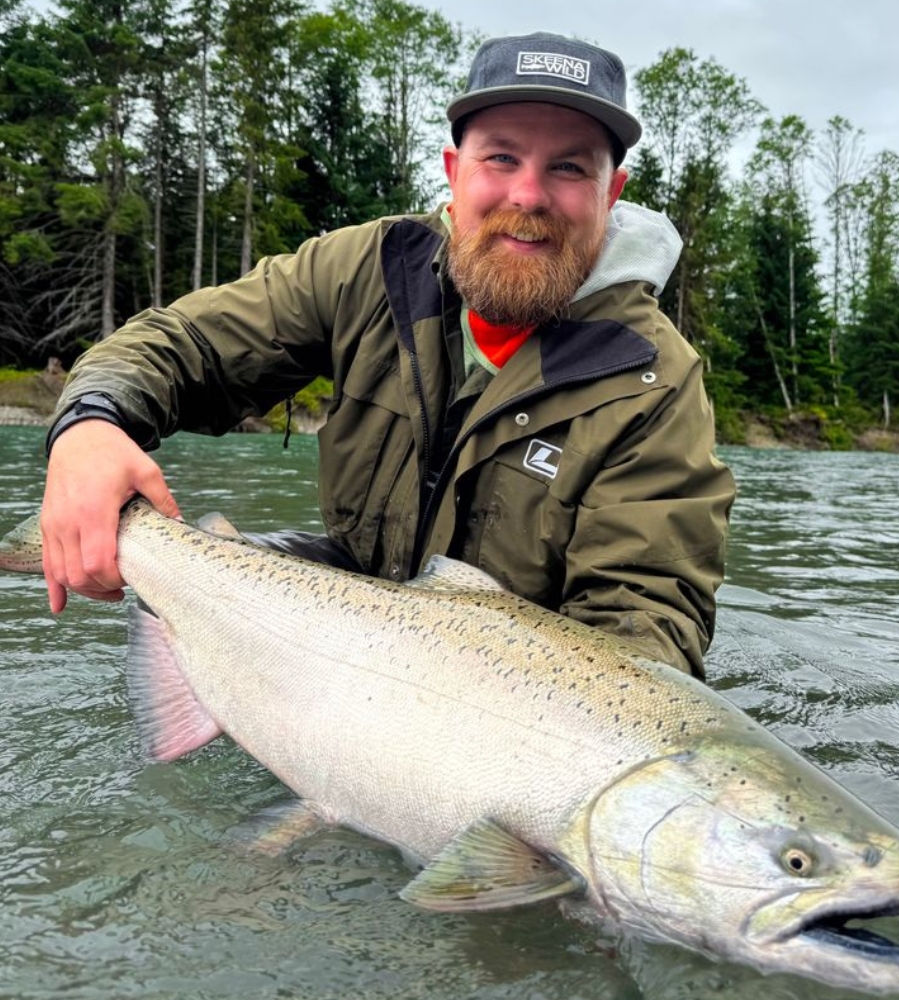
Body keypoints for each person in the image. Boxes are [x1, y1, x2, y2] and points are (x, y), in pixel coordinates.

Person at [39, 31, 736, 679]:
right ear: (455, 172)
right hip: (340, 617)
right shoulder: (368, 268)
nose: (528, 195)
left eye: (569, 168)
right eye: (501, 157)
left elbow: (646, 626)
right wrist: (89, 426)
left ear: (611, 195)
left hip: (507, 692)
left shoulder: (656, 380)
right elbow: (183, 343)